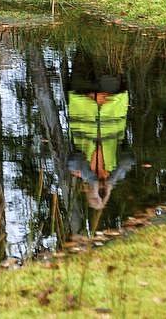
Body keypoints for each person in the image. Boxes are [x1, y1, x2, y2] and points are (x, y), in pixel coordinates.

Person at [65, 48, 135, 211]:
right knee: (106, 50)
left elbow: (73, 160)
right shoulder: (116, 172)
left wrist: (92, 180)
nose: (100, 191)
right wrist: (110, 183)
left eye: (97, 193)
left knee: (83, 48)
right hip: (110, 95)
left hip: (81, 94)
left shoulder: (80, 171)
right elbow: (129, 159)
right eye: (102, 193)